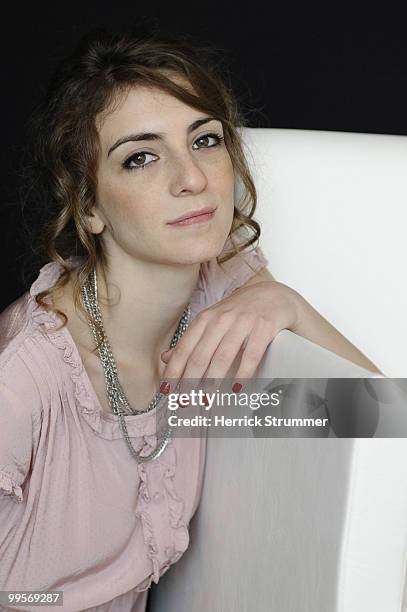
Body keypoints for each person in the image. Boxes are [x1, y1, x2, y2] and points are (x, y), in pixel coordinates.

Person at [0, 26, 382, 611]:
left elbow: (377, 429)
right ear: (87, 206)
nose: (193, 179)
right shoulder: (25, 378)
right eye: (141, 157)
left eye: (205, 140)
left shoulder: (222, 284)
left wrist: (288, 304)